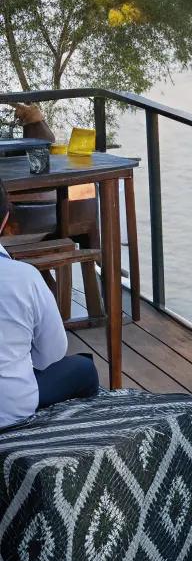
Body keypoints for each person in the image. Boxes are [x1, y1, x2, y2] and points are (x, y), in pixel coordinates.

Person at [0, 182, 99, 429]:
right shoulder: (25, 277)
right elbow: (52, 353)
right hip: (11, 408)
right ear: (5, 220)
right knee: (83, 367)